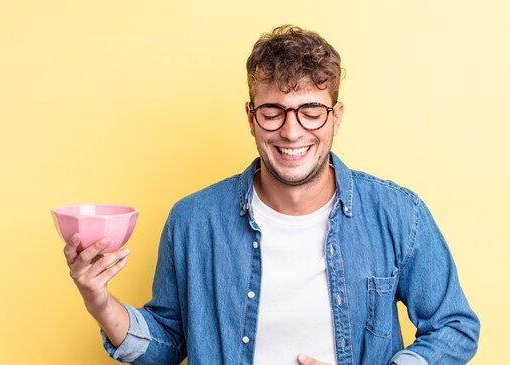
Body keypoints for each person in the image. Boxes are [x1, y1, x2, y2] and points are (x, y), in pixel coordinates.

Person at [63, 25, 480, 365]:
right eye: (273, 111)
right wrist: (99, 301)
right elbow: (168, 344)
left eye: (311, 111)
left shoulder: (396, 213)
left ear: (336, 117)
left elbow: (454, 327)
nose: (292, 131)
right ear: (251, 117)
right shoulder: (193, 221)